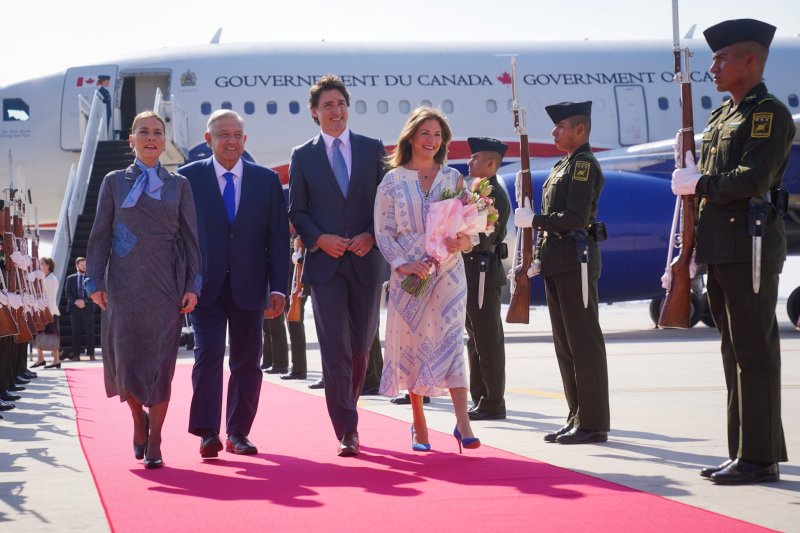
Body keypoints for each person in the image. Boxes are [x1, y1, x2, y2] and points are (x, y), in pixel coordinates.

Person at [670, 19, 792, 484]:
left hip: (751, 244)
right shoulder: (724, 115)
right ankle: (743, 449)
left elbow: (751, 180)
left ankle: (760, 457)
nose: (713, 68)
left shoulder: (767, 114)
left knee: (753, 352)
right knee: (732, 350)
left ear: (750, 61)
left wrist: (699, 182)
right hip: (722, 244)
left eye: (722, 59)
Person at [85, 110, 202, 469]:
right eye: (143, 132)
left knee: (162, 363)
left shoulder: (179, 184)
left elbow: (191, 239)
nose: (151, 138)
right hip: (123, 285)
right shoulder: (113, 181)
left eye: (157, 132)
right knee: (128, 360)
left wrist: (192, 285)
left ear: (164, 142)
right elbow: (100, 234)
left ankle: (155, 440)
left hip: (166, 283)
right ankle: (139, 421)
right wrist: (94, 281)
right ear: (131, 139)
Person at [288, 74, 388, 457]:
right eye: (328, 106)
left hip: (366, 261)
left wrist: (371, 235)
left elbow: (386, 205)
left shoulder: (371, 149)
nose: (336, 111)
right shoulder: (303, 155)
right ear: (315, 113)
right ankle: (347, 428)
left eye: (341, 103)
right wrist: (318, 238)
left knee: (362, 346)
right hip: (325, 266)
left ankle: (349, 408)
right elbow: (297, 210)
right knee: (335, 349)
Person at [181, 109, 289, 459]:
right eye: (222, 134)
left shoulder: (266, 180)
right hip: (203, 287)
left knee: (247, 362)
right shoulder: (187, 179)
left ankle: (238, 432)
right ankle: (208, 432)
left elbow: (277, 238)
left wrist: (278, 288)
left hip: (250, 286)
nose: (230, 140)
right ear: (208, 139)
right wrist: (184, 283)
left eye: (237, 134)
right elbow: (179, 237)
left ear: (245, 140)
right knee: (208, 355)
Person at [374, 106, 480, 453]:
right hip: (410, 276)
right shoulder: (392, 181)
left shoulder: (453, 179)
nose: (432, 141)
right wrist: (404, 264)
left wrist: (461, 241)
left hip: (448, 273)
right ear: (411, 137)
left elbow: (470, 232)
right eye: (426, 134)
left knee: (452, 341)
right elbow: (383, 232)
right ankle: (418, 421)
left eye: (438, 135)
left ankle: (463, 422)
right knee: (414, 346)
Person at [514, 100, 609, 445]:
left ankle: (594, 422)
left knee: (583, 343)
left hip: (577, 262)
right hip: (558, 261)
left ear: (579, 130)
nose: (554, 133)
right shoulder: (562, 166)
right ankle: (577, 415)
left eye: (560, 127)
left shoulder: (583, 166)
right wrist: (538, 255)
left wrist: (535, 221)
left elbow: (575, 218)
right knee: (566, 345)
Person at [463, 137, 511, 421]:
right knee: (475, 337)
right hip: (471, 271)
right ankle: (480, 396)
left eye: (476, 157)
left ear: (491, 163)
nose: (470, 162)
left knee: (487, 339)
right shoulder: (479, 189)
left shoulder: (491, 193)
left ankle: (494, 400)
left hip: (482, 270)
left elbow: (483, 237)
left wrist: (459, 236)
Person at [30, 257, 61, 369]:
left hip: (49, 311)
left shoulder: (52, 279)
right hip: (41, 311)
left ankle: (56, 360)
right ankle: (40, 358)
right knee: (39, 335)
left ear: (48, 265)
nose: (40, 266)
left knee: (51, 336)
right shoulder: (43, 278)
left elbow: (51, 298)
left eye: (42, 264)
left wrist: (50, 313)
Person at [64, 257, 96, 361]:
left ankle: (91, 354)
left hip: (88, 307)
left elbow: (93, 291)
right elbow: (67, 292)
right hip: (74, 308)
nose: (84, 266)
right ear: (77, 265)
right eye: (82, 265)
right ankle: (76, 355)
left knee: (90, 331)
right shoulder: (70, 278)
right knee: (75, 331)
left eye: (85, 265)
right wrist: (76, 301)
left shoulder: (91, 277)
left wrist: (84, 301)